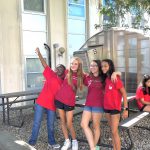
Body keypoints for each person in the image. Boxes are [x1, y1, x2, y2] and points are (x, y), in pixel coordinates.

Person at [28, 48, 66, 150]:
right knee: (37, 123)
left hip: (52, 105)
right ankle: (31, 143)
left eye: (60, 68)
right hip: (41, 103)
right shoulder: (50, 74)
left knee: (51, 125)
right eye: (57, 68)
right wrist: (39, 53)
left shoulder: (63, 82)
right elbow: (44, 64)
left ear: (63, 71)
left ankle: (51, 142)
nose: (57, 69)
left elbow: (72, 74)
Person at [80, 60, 121, 150]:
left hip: (98, 105)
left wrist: (116, 73)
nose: (92, 67)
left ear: (99, 67)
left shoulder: (103, 77)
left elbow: (114, 73)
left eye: (95, 65)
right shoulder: (88, 77)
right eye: (91, 66)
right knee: (83, 124)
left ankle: (94, 146)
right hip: (88, 104)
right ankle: (93, 146)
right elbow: (78, 73)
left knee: (95, 126)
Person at [55, 57, 84, 150]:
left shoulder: (81, 75)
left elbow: (94, 75)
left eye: (75, 64)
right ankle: (67, 141)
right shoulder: (67, 71)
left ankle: (74, 141)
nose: (73, 65)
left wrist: (116, 73)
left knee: (69, 123)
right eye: (72, 63)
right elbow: (56, 74)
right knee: (62, 122)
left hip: (69, 102)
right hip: (59, 99)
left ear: (79, 65)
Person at [101, 59, 128, 150]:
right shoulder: (105, 78)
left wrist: (125, 109)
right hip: (106, 108)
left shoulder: (115, 78)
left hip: (115, 108)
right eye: (102, 66)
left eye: (105, 66)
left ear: (110, 66)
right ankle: (114, 148)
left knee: (114, 131)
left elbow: (124, 93)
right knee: (112, 131)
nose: (103, 68)